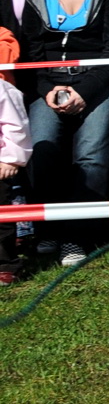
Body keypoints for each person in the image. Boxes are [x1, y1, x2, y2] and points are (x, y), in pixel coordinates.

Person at [20, 0, 109, 266]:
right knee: (43, 149)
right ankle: (48, 229)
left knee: (91, 155)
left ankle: (78, 237)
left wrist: (83, 91)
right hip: (48, 83)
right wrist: (49, 89)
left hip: (98, 83)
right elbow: (32, 52)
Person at [0, 43, 27, 282]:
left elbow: (15, 125)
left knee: (1, 218)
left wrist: (11, 159)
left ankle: (6, 265)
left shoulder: (2, 88)